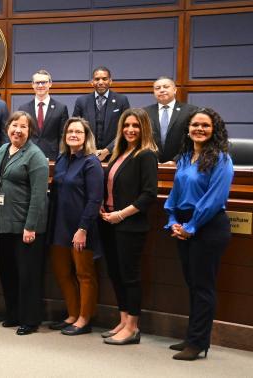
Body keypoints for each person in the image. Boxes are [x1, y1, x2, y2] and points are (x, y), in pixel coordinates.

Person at [164, 108, 234, 361]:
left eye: (205, 125)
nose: (199, 129)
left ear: (214, 129)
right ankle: (194, 336)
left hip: (209, 227)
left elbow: (213, 200)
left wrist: (191, 227)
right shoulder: (183, 158)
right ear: (188, 128)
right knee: (193, 285)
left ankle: (198, 343)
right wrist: (172, 220)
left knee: (203, 287)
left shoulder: (221, 159)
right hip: (184, 226)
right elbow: (175, 193)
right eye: (195, 125)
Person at [99, 108, 159, 346]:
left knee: (130, 277)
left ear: (143, 128)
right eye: (126, 125)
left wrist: (121, 215)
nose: (130, 130)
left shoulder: (146, 155)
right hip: (110, 222)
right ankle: (123, 321)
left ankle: (133, 327)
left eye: (135, 125)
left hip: (130, 224)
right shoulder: (119, 153)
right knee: (116, 273)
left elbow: (149, 195)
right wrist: (103, 208)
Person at [0, 111, 48, 335]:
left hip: (26, 226)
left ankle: (30, 319)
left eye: (23, 127)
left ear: (30, 131)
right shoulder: (4, 149)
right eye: (14, 125)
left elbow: (38, 195)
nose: (18, 130)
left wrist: (30, 226)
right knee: (7, 271)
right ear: (8, 128)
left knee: (28, 275)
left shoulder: (35, 156)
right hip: (5, 223)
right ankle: (13, 313)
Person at [48, 118, 103, 336]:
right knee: (63, 273)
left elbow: (94, 199)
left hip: (81, 228)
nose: (73, 134)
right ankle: (72, 314)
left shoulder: (91, 163)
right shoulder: (62, 159)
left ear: (86, 136)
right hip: (58, 226)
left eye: (78, 132)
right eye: (70, 131)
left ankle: (84, 318)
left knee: (84, 275)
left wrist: (83, 229)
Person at [72, 66, 131, 162]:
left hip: (114, 155)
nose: (100, 82)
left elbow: (126, 130)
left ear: (110, 81)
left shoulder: (122, 101)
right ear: (92, 82)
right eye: (97, 79)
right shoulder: (81, 101)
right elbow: (75, 129)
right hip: (86, 155)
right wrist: (89, 149)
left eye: (104, 79)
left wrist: (107, 151)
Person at [17, 69, 70, 160]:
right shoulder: (23, 109)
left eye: (44, 82)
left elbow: (63, 136)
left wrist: (61, 156)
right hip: (27, 156)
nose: (40, 85)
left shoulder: (61, 108)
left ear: (50, 84)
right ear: (32, 85)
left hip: (53, 157)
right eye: (37, 83)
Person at [143, 76, 197, 163]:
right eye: (157, 88)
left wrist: (176, 160)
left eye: (166, 87)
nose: (162, 90)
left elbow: (193, 140)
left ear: (175, 90)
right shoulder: (145, 112)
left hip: (181, 163)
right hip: (151, 164)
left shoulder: (190, 111)